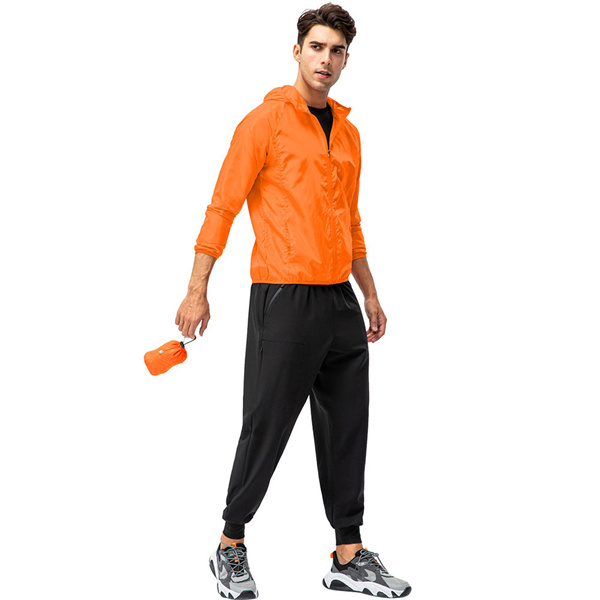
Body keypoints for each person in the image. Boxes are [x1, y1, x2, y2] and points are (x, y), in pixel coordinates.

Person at [175, 3, 411, 598]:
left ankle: (348, 554)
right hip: (283, 297)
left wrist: (370, 293)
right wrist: (197, 288)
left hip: (340, 302)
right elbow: (223, 206)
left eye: (337, 51)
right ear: (297, 50)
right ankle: (230, 544)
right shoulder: (265, 122)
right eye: (317, 47)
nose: (326, 59)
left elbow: (350, 220)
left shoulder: (349, 133)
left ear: (347, 59)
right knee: (266, 425)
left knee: (347, 427)